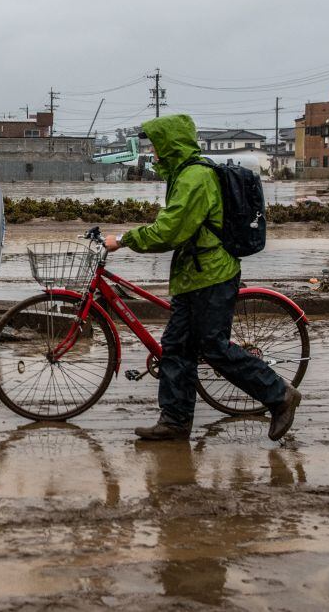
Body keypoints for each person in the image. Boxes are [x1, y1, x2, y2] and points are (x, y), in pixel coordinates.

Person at [103, 114, 301, 441]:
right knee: (176, 349)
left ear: (171, 146)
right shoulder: (184, 174)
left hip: (211, 275)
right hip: (193, 276)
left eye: (157, 148)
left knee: (214, 347)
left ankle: (279, 394)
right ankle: (175, 421)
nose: (153, 155)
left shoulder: (194, 177)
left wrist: (125, 240)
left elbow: (171, 230)